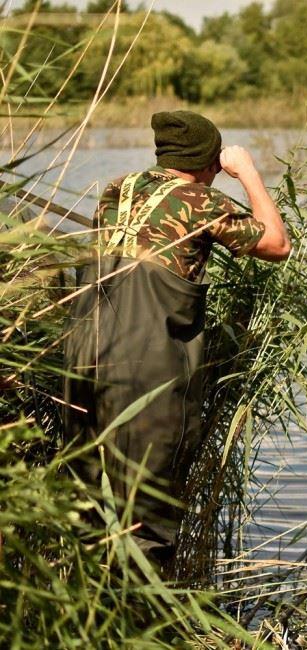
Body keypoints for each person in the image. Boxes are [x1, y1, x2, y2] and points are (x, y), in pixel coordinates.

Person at [63, 110, 291, 564]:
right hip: (145, 369)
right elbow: (277, 244)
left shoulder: (116, 190)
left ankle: (84, 614)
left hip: (81, 359)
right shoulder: (200, 202)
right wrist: (247, 172)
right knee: (147, 519)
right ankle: (145, 623)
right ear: (209, 162)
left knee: (87, 507)